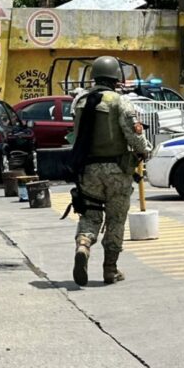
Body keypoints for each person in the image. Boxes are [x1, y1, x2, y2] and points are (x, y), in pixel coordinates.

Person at [69, 55, 152, 287]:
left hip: (88, 171)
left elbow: (74, 136)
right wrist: (146, 150)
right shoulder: (119, 101)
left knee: (90, 215)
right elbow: (134, 135)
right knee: (116, 219)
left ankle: (83, 245)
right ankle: (110, 269)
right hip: (116, 170)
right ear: (116, 77)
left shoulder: (81, 101)